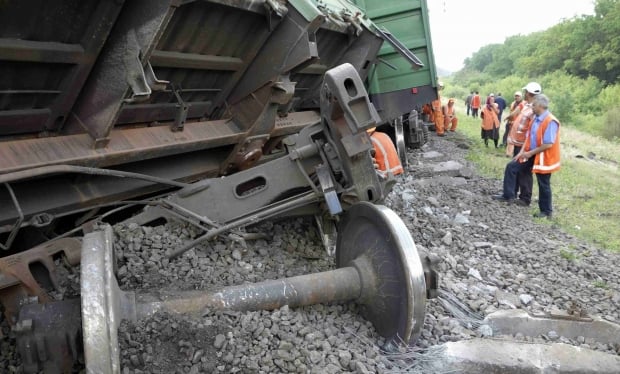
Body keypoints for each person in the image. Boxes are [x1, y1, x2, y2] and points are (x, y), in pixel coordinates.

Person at [492, 94, 560, 219]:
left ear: (540, 105)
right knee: (512, 166)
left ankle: (546, 211)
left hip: (543, 157)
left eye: (533, 105)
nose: (532, 107)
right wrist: (521, 152)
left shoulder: (551, 121)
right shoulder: (535, 118)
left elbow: (548, 144)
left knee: (543, 183)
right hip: (530, 153)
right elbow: (529, 137)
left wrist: (529, 153)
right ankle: (508, 195)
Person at [502, 82, 542, 205]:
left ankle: (523, 198)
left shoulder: (535, 109)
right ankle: (513, 194)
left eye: (525, 92)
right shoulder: (526, 105)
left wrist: (527, 149)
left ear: (529, 93)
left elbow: (533, 130)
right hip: (518, 143)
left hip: (525, 145)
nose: (524, 94)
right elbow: (518, 112)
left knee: (521, 170)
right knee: (519, 171)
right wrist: (510, 116)